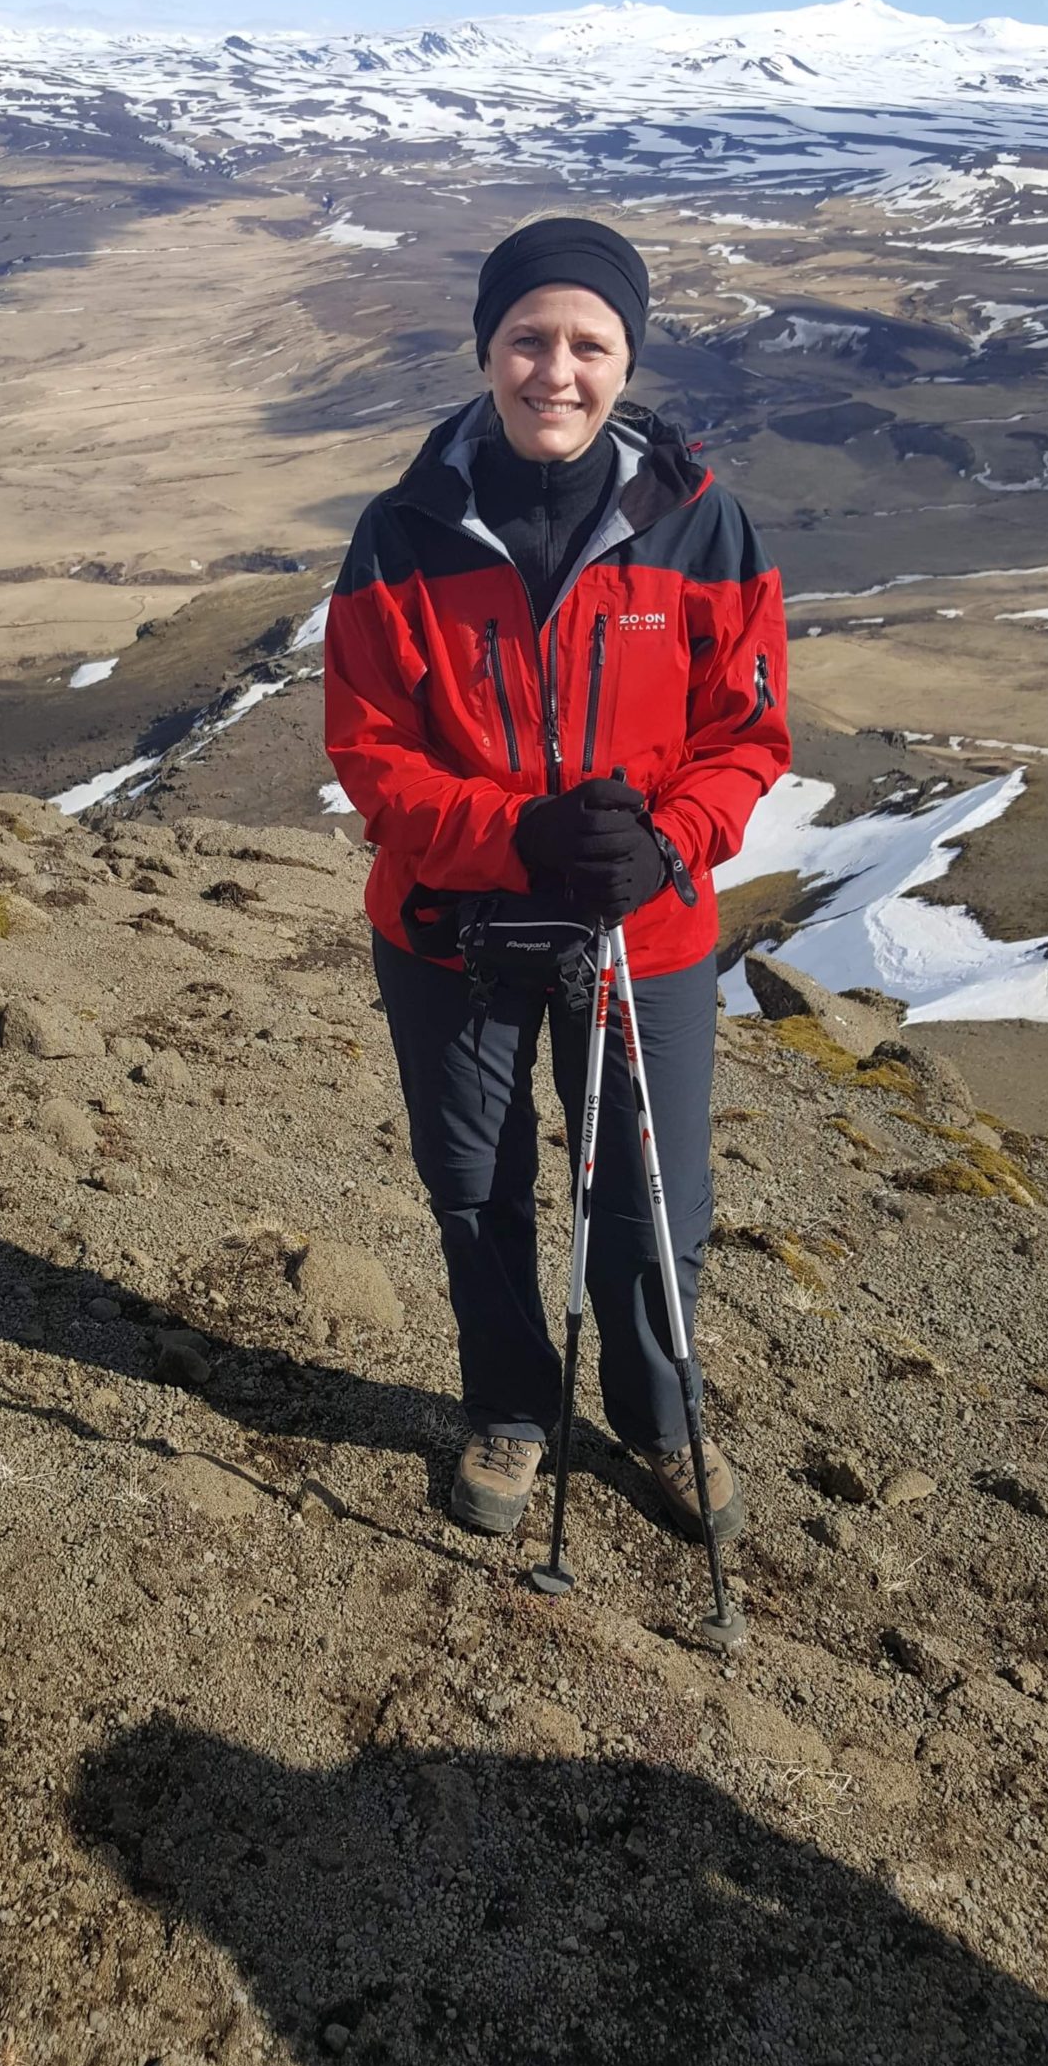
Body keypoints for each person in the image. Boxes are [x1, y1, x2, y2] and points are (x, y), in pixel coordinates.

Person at [324, 218, 789, 1543]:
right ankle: (512, 1411)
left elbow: (746, 733)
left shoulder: (698, 524)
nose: (558, 371)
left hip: (643, 928)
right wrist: (519, 836)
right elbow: (372, 756)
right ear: (487, 349)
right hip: (450, 927)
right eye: (530, 339)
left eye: (591, 344)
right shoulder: (405, 531)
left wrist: (668, 843)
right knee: (476, 1192)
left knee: (653, 1199)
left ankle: (661, 1418)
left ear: (626, 361)